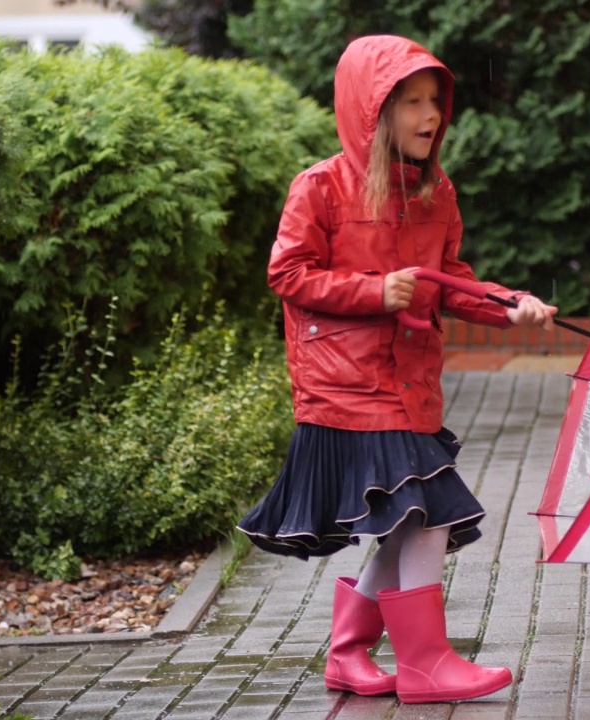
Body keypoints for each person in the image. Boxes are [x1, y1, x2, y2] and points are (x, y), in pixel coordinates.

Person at [237, 34, 557, 705]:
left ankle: (350, 653)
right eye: (410, 101)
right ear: (370, 110)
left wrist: (510, 307)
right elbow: (288, 273)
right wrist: (376, 292)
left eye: (434, 100)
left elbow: (451, 281)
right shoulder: (320, 187)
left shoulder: (436, 192)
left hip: (408, 383)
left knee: (408, 516)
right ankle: (425, 663)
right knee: (427, 509)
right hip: (344, 384)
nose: (429, 115)